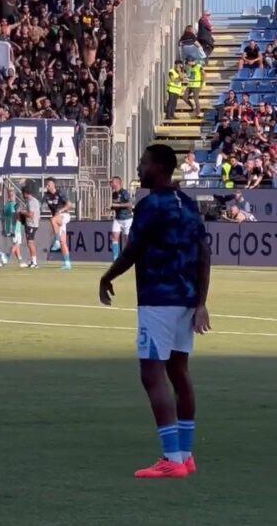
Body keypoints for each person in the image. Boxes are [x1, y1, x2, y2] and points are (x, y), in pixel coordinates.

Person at [98, 144, 211, 479]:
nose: (139, 168)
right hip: (187, 299)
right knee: (179, 372)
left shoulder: (150, 205)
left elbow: (133, 250)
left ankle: (171, 459)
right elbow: (204, 254)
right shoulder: (188, 205)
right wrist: (202, 301)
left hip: (158, 299)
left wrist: (107, 276)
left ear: (159, 167)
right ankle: (186, 455)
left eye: (143, 162)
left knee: (152, 373)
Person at [44, 177, 72, 270]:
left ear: (53, 185)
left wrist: (61, 210)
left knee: (53, 220)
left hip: (65, 215)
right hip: (58, 219)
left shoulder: (60, 193)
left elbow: (69, 205)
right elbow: (40, 205)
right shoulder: (46, 195)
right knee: (63, 242)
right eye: (46, 185)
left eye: (49, 184)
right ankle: (67, 264)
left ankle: (56, 241)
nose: (47, 186)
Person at [109, 175, 133, 261]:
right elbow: (115, 206)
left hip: (127, 219)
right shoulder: (114, 194)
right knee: (114, 237)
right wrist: (111, 207)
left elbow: (130, 204)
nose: (110, 183)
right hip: (117, 219)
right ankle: (115, 259)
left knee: (127, 240)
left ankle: (130, 258)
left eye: (111, 182)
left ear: (116, 183)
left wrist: (117, 205)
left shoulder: (124, 192)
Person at [16, 184, 40, 268]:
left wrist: (22, 212)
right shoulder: (29, 202)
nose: (22, 195)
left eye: (23, 193)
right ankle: (33, 261)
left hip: (32, 224)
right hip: (29, 224)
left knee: (30, 243)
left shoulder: (32, 202)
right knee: (30, 242)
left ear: (26, 193)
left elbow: (31, 214)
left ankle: (35, 262)